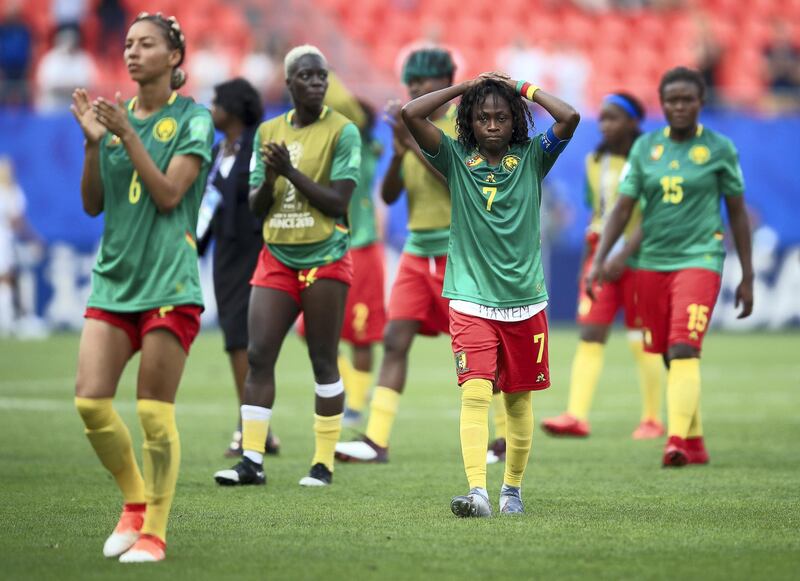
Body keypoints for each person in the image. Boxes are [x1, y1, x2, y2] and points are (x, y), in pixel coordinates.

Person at [70, 12, 213, 562]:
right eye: (128, 44)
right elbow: (92, 205)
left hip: (168, 283)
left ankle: (154, 530)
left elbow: (169, 196)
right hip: (114, 281)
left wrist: (126, 136)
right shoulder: (114, 120)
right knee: (90, 404)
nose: (132, 53)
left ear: (174, 57)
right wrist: (92, 146)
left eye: (146, 44)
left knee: (154, 414)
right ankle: (134, 502)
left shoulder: (193, 120)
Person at [402, 73, 579, 516]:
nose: (492, 125)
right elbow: (411, 113)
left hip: (525, 302)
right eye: (482, 118)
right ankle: (478, 492)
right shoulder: (454, 158)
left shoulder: (534, 157)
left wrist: (522, 87)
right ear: (469, 122)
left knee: (518, 400)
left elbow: (570, 117)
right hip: (469, 298)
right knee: (475, 391)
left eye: (501, 117)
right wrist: (464, 88)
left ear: (515, 120)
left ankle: (511, 491)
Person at [586, 66, 753, 468]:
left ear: (701, 102)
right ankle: (694, 440)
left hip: (700, 258)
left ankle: (675, 440)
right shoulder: (646, 150)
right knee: (666, 354)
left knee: (683, 348)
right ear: (662, 104)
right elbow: (622, 208)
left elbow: (737, 213)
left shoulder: (720, 148)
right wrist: (601, 259)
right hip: (652, 263)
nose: (679, 107)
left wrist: (747, 275)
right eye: (671, 100)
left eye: (687, 99)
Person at [213, 45, 361, 488]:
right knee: (258, 355)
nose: (317, 82)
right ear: (290, 83)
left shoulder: (344, 131)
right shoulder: (269, 132)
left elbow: (338, 203)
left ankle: (322, 463)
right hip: (276, 255)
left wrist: (290, 172)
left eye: (323, 75)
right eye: (307, 76)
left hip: (323, 256)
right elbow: (257, 206)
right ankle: (252, 461)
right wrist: (272, 176)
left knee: (322, 361)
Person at [334, 48, 461, 462]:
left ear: (448, 84)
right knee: (394, 340)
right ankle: (377, 438)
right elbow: (390, 195)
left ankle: (498, 438)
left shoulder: (464, 127)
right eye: (412, 83)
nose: (416, 90)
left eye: (424, 82)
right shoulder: (412, 131)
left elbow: (457, 185)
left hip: (456, 251)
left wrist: (413, 142)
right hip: (415, 250)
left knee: (473, 347)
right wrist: (401, 149)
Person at [542, 93, 665, 440]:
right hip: (601, 252)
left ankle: (652, 418)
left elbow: (654, 213)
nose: (606, 125)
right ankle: (576, 415)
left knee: (640, 337)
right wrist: (591, 261)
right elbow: (596, 215)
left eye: (613, 118)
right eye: (603, 119)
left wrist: (623, 253)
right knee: (591, 332)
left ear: (633, 123)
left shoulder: (650, 159)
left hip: (640, 255)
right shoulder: (594, 162)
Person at [198, 77, 279, 458]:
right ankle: (261, 428)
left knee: (246, 341)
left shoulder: (256, 147)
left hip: (254, 251)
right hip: (224, 256)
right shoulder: (218, 150)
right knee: (236, 340)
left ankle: (248, 426)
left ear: (231, 108)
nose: (211, 109)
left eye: (216, 102)